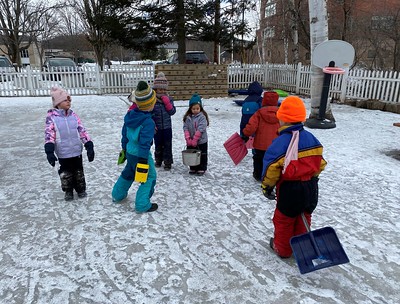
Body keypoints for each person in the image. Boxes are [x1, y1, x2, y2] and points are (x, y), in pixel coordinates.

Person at [260, 96, 327, 258]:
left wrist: (267, 187)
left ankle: (283, 249)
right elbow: (321, 163)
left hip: (290, 189)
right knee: (304, 216)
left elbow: (271, 169)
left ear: (282, 119)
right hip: (310, 188)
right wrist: (312, 177)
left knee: (284, 220)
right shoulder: (312, 139)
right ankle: (302, 248)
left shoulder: (281, 143)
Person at [112, 81, 158, 213]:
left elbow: (124, 135)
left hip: (130, 152)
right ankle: (142, 204)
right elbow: (144, 143)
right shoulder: (148, 122)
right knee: (149, 177)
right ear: (149, 104)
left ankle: (117, 194)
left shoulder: (130, 116)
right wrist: (143, 159)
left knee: (129, 172)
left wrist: (124, 149)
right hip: (141, 154)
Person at [44, 87, 95, 201]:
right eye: (65, 100)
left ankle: (81, 189)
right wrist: (49, 151)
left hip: (76, 151)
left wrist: (89, 145)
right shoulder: (52, 118)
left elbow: (82, 130)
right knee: (66, 174)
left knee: (79, 172)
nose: (68, 102)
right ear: (57, 103)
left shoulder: (73, 116)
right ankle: (68, 191)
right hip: (63, 152)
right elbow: (49, 135)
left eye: (69, 100)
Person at [242, 91, 280, 181]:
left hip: (260, 144)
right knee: (273, 160)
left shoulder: (259, 113)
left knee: (258, 159)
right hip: (276, 144)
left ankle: (258, 174)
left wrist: (245, 133)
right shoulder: (280, 114)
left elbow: (251, 127)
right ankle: (271, 176)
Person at [151, 72, 176, 170]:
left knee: (167, 144)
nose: (162, 91)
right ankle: (158, 160)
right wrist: (153, 124)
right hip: (157, 127)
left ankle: (168, 162)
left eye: (164, 89)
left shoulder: (169, 99)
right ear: (156, 89)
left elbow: (172, 111)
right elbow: (150, 113)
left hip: (167, 127)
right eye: (160, 89)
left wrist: (167, 103)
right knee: (158, 144)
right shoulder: (153, 100)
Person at [183, 93, 209, 175]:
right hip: (191, 140)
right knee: (192, 154)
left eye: (197, 108)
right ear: (190, 108)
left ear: (200, 108)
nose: (195, 110)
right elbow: (185, 127)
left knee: (202, 154)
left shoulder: (202, 117)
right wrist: (188, 138)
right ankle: (193, 167)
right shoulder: (188, 117)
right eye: (193, 109)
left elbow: (201, 128)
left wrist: (195, 139)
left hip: (201, 140)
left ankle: (202, 167)